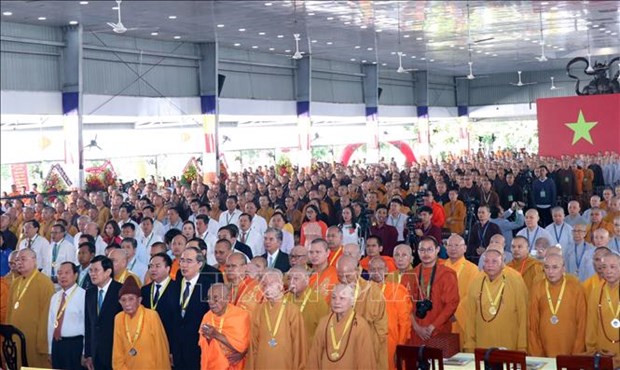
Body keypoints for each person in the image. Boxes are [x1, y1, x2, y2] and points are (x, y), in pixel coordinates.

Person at [464, 249, 528, 352]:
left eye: (494, 261)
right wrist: (469, 344)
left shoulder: (515, 279)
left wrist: (522, 346)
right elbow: (470, 317)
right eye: (486, 261)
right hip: (482, 343)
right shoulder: (476, 281)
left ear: (503, 262)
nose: (490, 265)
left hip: (509, 342)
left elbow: (523, 314)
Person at [528, 253, 587, 357]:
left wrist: (577, 353)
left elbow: (582, 323)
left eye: (555, 267)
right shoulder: (537, 288)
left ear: (563, 268)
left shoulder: (576, 288)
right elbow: (532, 324)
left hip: (570, 348)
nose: (550, 272)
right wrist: (537, 354)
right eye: (547, 267)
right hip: (544, 349)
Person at [172, 246, 220, 370]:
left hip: (199, 346)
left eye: (189, 261)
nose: (184, 265)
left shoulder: (209, 285)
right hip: (177, 348)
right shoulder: (173, 286)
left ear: (199, 264)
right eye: (182, 260)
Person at [307, 284, 376, 369]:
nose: (337, 302)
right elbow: (314, 356)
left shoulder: (360, 325)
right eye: (334, 298)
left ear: (352, 301)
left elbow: (365, 360)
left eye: (342, 298)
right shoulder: (324, 322)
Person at [336, 255, 388, 369]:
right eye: (340, 276)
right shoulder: (336, 291)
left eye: (348, 276)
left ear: (357, 270)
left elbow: (381, 328)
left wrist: (374, 350)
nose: (344, 280)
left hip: (367, 348)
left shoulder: (372, 291)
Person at [7, 248, 55, 368]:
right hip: (14, 337)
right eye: (17, 260)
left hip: (34, 340)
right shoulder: (15, 283)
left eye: (23, 259)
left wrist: (43, 343)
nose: (19, 263)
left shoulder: (45, 283)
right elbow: (9, 311)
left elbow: (47, 316)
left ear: (34, 261)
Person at [251, 268, 307, 369]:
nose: (267, 288)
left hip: (285, 363)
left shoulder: (292, 310)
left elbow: (298, 345)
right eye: (264, 285)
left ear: (281, 286)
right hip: (262, 363)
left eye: (271, 284)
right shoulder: (259, 310)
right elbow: (253, 345)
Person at [407, 237, 459, 346]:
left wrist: (432, 326)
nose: (425, 254)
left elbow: (452, 304)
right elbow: (404, 305)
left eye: (429, 249)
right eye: (422, 250)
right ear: (417, 251)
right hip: (415, 331)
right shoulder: (409, 275)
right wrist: (417, 327)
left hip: (439, 330)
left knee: (439, 362)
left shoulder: (447, 274)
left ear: (437, 250)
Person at [112, 276, 171, 369]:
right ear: (119, 302)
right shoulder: (118, 318)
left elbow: (161, 351)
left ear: (139, 300)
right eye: (123, 300)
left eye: (131, 299)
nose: (127, 304)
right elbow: (117, 353)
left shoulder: (151, 316)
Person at [368, 257, 412, 370]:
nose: (376, 272)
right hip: (368, 342)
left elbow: (404, 322)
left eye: (380, 268)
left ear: (387, 270)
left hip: (391, 342)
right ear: (368, 271)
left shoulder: (398, 290)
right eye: (373, 269)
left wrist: (400, 346)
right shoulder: (362, 291)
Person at [199, 283, 251, 370]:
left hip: (234, 365)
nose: (211, 302)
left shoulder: (241, 316)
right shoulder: (207, 316)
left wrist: (216, 335)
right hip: (213, 366)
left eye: (215, 298)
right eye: (209, 298)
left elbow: (242, 347)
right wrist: (208, 339)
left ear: (227, 299)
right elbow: (202, 344)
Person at [84, 255, 123, 370]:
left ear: (108, 272)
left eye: (96, 270)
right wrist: (88, 354)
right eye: (90, 270)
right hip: (96, 354)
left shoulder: (120, 290)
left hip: (116, 351)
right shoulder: (89, 293)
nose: (92, 274)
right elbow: (88, 325)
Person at [444, 234, 481, 350]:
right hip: (442, 319)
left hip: (460, 317)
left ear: (464, 248)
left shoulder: (472, 269)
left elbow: (471, 294)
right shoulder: (441, 266)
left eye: (457, 245)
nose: (453, 248)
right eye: (450, 245)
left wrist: (455, 313)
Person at [47, 262, 86, 370]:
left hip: (74, 346)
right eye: (59, 273)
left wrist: (85, 352)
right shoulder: (55, 297)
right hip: (57, 345)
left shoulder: (83, 296)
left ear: (76, 275)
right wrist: (50, 349)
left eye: (67, 273)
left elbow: (87, 326)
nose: (62, 276)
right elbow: (51, 324)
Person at [585, 252, 620, 368]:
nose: (608, 271)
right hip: (602, 355)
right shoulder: (597, 291)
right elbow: (592, 323)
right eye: (604, 267)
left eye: (613, 267)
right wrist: (593, 351)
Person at [140, 252, 177, 355]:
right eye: (151, 266)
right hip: (148, 344)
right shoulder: (144, 290)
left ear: (168, 268)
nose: (153, 269)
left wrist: (174, 350)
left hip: (169, 342)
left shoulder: (177, 289)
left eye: (157, 266)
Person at [286, 265, 330, 347]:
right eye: (289, 279)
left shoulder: (317, 300)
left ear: (306, 280)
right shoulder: (285, 298)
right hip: (288, 345)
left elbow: (324, 328)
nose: (291, 282)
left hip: (309, 346)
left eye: (296, 279)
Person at [226, 252, 263, 317]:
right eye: (228, 266)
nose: (229, 269)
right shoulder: (225, 289)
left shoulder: (256, 287)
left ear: (245, 267)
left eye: (233, 266)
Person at [307, 238, 339, 302]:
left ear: (328, 253)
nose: (314, 255)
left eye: (318, 252)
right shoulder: (305, 274)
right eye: (311, 252)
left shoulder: (336, 274)